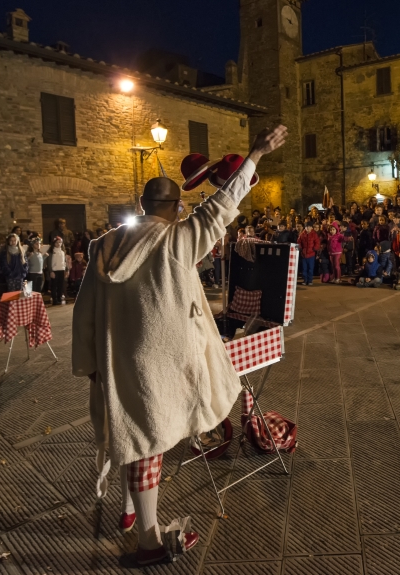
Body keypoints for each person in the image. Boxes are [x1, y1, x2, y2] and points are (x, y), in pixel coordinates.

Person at [71, 124, 288, 566]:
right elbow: (221, 208)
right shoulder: (176, 237)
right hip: (165, 361)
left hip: (120, 361)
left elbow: (84, 310)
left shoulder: (104, 245)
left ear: (141, 206)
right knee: (150, 443)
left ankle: (131, 511)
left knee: (134, 435)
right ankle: (149, 545)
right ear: (175, 207)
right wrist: (257, 154)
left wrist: (90, 363)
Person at [47, 237, 68, 305]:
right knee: (54, 285)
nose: (58, 244)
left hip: (61, 270)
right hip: (54, 270)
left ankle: (59, 298)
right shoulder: (51, 252)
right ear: (54, 243)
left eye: (60, 242)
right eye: (56, 242)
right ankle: (54, 299)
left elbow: (65, 261)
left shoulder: (62, 252)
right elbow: (49, 262)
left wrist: (66, 269)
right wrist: (51, 271)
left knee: (60, 285)